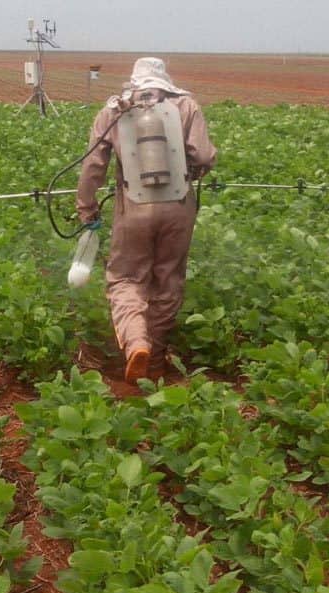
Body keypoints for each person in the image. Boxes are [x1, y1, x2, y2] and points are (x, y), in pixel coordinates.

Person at [75, 57, 217, 383]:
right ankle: (154, 361)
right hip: (178, 207)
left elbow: (92, 166)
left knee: (126, 279)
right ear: (164, 79)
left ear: (134, 79)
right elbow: (204, 156)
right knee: (168, 282)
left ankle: (136, 341)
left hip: (134, 209)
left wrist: (86, 207)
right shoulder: (186, 105)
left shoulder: (114, 110)